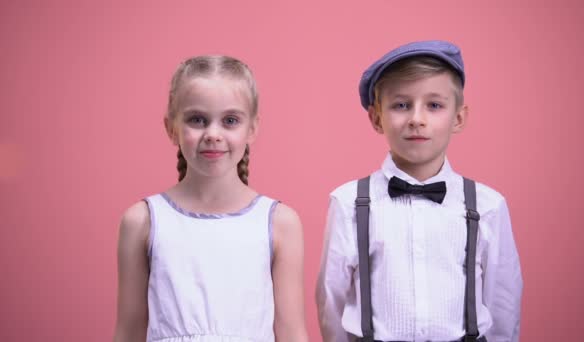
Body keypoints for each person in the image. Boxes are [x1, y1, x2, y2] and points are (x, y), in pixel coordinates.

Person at [316, 40, 523, 342]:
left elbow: (504, 307)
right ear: (376, 118)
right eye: (401, 105)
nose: (417, 118)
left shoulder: (488, 206)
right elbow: (330, 302)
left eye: (434, 105)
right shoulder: (348, 203)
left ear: (459, 118)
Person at [114, 55, 308, 342]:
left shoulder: (280, 223)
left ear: (252, 128)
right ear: (171, 128)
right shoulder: (142, 221)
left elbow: (292, 332)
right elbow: (128, 331)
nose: (213, 134)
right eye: (197, 120)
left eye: (230, 120)